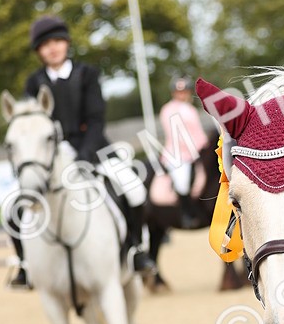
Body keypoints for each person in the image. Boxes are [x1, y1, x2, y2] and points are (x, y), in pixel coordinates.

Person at [11, 15, 156, 287]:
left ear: (66, 43)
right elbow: (32, 124)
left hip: (93, 148)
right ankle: (24, 265)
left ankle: (136, 250)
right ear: (39, 52)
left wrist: (84, 154)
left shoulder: (87, 74)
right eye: (45, 45)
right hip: (50, 155)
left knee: (133, 186)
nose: (52, 48)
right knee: (15, 205)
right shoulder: (34, 82)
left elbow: (96, 118)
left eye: (57, 41)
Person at [158, 74, 210, 228]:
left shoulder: (191, 109)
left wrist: (205, 145)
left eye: (185, 91)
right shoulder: (167, 110)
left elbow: (198, 131)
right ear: (173, 92)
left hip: (197, 151)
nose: (182, 94)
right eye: (178, 91)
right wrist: (195, 148)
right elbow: (176, 135)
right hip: (178, 155)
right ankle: (186, 213)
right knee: (182, 182)